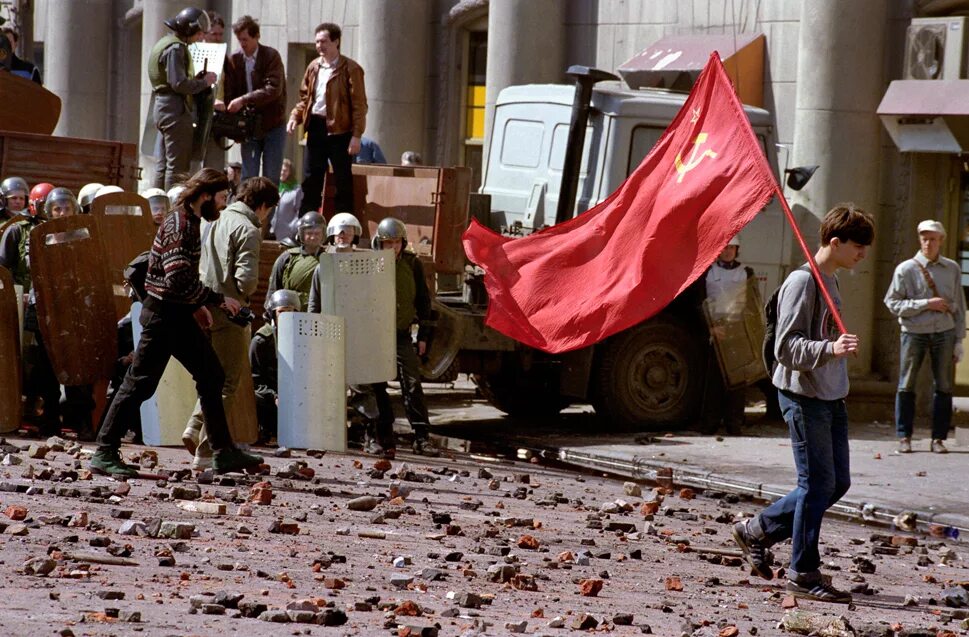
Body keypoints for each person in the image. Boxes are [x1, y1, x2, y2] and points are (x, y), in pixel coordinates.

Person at [732, 203, 874, 604]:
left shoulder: (832, 280)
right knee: (816, 485)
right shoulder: (803, 282)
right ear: (835, 242)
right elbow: (786, 348)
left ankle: (756, 530)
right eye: (858, 247)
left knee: (836, 482)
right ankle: (802, 573)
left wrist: (835, 355)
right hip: (803, 394)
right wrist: (831, 348)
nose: (863, 254)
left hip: (831, 394)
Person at [91, 168, 263, 477]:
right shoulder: (182, 225)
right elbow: (177, 279)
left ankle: (222, 452)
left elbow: (180, 282)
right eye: (221, 199)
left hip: (175, 314)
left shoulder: (189, 220)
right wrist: (216, 299)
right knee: (139, 383)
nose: (223, 206)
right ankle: (104, 450)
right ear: (206, 196)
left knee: (211, 375)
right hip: (163, 317)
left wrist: (197, 306)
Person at [181, 175, 279, 470]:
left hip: (203, 307)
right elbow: (246, 280)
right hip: (231, 311)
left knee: (209, 378)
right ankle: (206, 449)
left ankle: (194, 425)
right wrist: (243, 295)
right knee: (227, 383)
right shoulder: (248, 228)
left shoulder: (214, 219)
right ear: (263, 206)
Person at [884, 219, 966, 455]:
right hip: (914, 333)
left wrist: (959, 341)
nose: (928, 243)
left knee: (943, 386)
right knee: (906, 384)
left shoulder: (952, 269)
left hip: (944, 332)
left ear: (941, 240)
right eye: (924, 238)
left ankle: (938, 439)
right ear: (919, 240)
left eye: (933, 238)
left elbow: (958, 305)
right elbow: (892, 303)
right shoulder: (906, 269)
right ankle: (904, 436)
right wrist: (925, 304)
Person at [368, 217, 438, 457]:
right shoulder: (368, 264)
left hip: (401, 335)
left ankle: (421, 437)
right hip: (375, 335)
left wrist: (424, 336)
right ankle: (379, 436)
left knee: (412, 384)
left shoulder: (412, 264)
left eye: (396, 243)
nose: (393, 247)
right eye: (388, 243)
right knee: (375, 385)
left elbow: (423, 301)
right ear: (380, 243)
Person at [287, 22, 368, 214]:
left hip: (341, 130)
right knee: (310, 178)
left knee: (342, 180)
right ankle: (306, 223)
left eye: (323, 41)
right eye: (316, 42)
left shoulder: (350, 68)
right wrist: (294, 117)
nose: (319, 46)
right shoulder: (313, 66)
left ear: (336, 41)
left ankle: (343, 225)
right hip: (315, 126)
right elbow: (305, 99)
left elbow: (359, 105)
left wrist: (356, 135)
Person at [148, 7, 218, 190]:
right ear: (189, 30)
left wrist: (195, 80)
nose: (200, 38)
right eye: (198, 33)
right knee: (177, 166)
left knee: (163, 165)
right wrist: (204, 82)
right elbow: (178, 83)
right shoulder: (176, 47)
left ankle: (159, 206)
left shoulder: (166, 43)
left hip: (163, 107)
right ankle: (173, 208)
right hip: (174, 110)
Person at [695, 236, 754, 434]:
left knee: (737, 382)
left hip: (737, 331)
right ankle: (709, 424)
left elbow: (753, 305)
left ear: (737, 250)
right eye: (724, 247)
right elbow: (699, 303)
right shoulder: (707, 272)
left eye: (732, 247)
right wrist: (709, 329)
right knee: (713, 381)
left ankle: (734, 423)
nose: (727, 251)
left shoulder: (746, 272)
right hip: (715, 330)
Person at [220, 15, 287, 185]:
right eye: (239, 39)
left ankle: (268, 212)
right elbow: (229, 94)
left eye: (245, 39)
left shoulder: (271, 56)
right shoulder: (234, 60)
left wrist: (244, 100)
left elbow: (273, 89)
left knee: (270, 177)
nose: (242, 44)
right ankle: (248, 211)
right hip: (248, 126)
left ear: (256, 36)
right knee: (248, 176)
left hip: (273, 124)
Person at [250, 289, 300, 443]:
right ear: (273, 315)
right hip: (271, 398)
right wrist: (274, 396)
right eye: (281, 312)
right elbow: (255, 379)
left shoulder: (303, 337)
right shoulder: (262, 341)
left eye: (291, 312)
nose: (286, 317)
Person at [265, 211, 325, 312]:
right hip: (289, 312)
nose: (313, 237)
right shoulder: (287, 257)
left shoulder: (328, 259)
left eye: (317, 233)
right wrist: (270, 312)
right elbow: (273, 289)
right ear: (301, 234)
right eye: (309, 233)